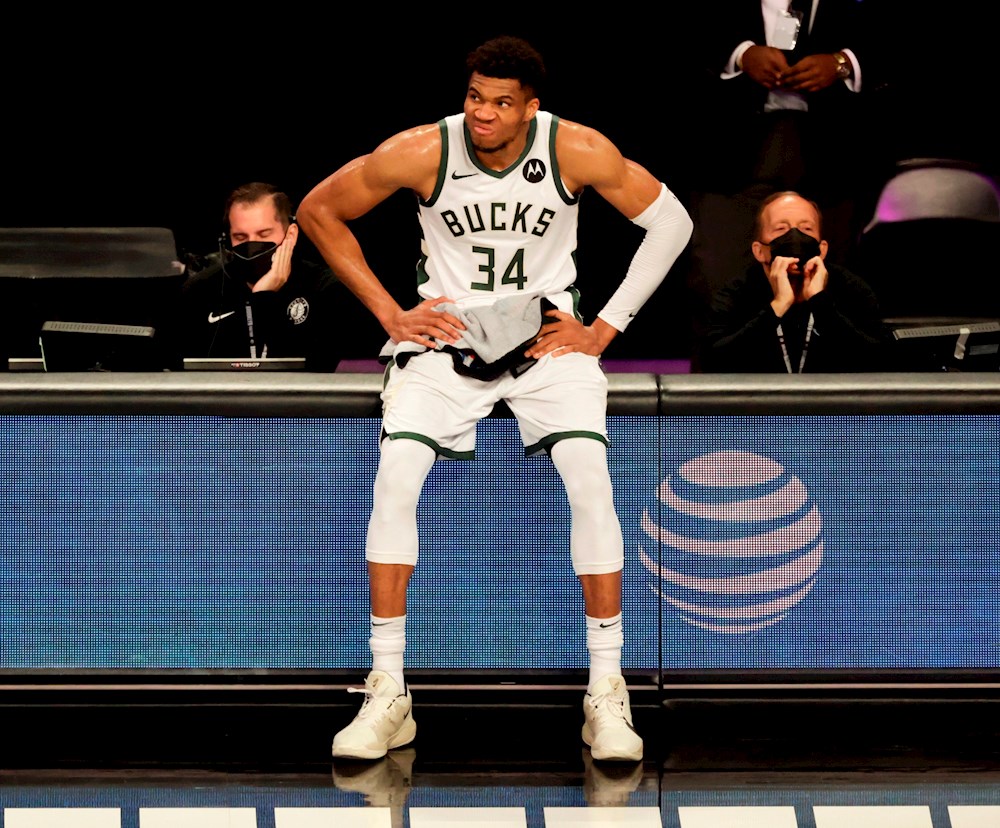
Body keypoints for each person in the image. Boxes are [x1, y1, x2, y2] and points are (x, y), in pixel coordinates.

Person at [297, 34, 692, 763]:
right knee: (395, 481)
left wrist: (604, 329)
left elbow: (673, 222)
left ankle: (607, 692)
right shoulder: (422, 151)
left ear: (530, 108)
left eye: (501, 103)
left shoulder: (574, 149)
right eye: (475, 97)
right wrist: (390, 314)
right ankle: (388, 689)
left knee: (591, 484)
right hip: (446, 341)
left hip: (545, 344)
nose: (483, 113)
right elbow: (319, 210)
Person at [677, 0, 893, 369]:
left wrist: (842, 63)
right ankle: (709, 404)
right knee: (717, 275)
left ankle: (835, 401)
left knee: (832, 279)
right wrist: (741, 55)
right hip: (731, 151)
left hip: (836, 153)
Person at [698, 190, 888, 373]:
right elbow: (713, 363)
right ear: (759, 251)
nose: (795, 236)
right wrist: (778, 306)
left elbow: (877, 361)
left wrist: (820, 304)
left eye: (806, 228)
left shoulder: (851, 289)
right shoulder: (736, 294)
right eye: (781, 229)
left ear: (822, 250)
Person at [174, 182, 347, 371]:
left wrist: (264, 298)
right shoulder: (199, 290)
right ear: (227, 240)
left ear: (291, 235)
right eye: (240, 237)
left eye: (264, 234)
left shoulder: (323, 287)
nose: (252, 246)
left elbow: (316, 369)